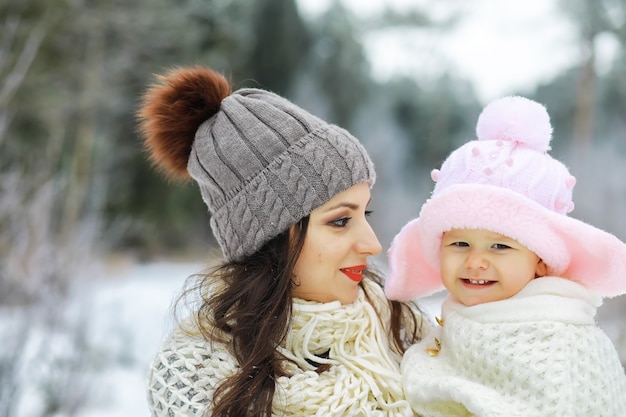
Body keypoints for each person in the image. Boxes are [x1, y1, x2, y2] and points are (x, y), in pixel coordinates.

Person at [136, 65, 427, 417]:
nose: (372, 245)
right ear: (268, 237)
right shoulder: (195, 375)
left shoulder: (401, 328)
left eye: (366, 215)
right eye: (339, 221)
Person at [384, 96, 626, 417]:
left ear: (541, 261)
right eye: (459, 244)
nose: (475, 262)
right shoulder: (446, 327)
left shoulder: (563, 343)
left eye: (499, 246)